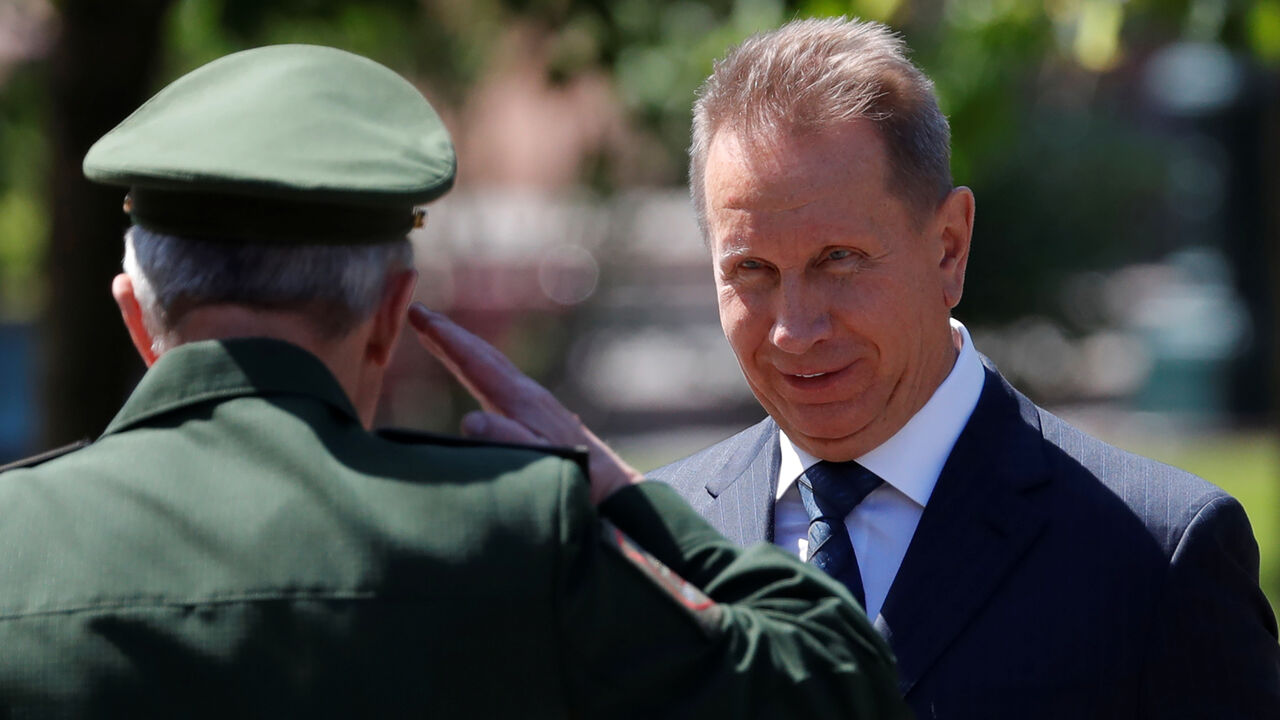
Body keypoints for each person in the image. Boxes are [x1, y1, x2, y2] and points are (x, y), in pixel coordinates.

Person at [0, 44, 910, 718]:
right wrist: (616, 488)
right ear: (396, 312)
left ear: (134, 313)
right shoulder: (508, 537)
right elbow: (833, 679)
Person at [648, 16, 1280, 718]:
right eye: (752, 271)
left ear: (948, 248)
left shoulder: (1156, 555)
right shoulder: (644, 550)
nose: (796, 330)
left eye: (840, 260)